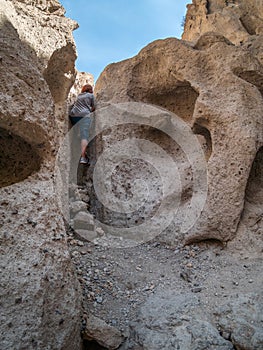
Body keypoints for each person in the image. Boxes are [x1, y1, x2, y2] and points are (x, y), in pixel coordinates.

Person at [69, 84, 95, 164]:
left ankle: (77, 136)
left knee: (79, 129)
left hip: (73, 116)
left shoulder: (79, 96)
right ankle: (83, 158)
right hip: (84, 116)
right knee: (84, 136)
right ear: (90, 90)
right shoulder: (91, 96)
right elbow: (93, 107)